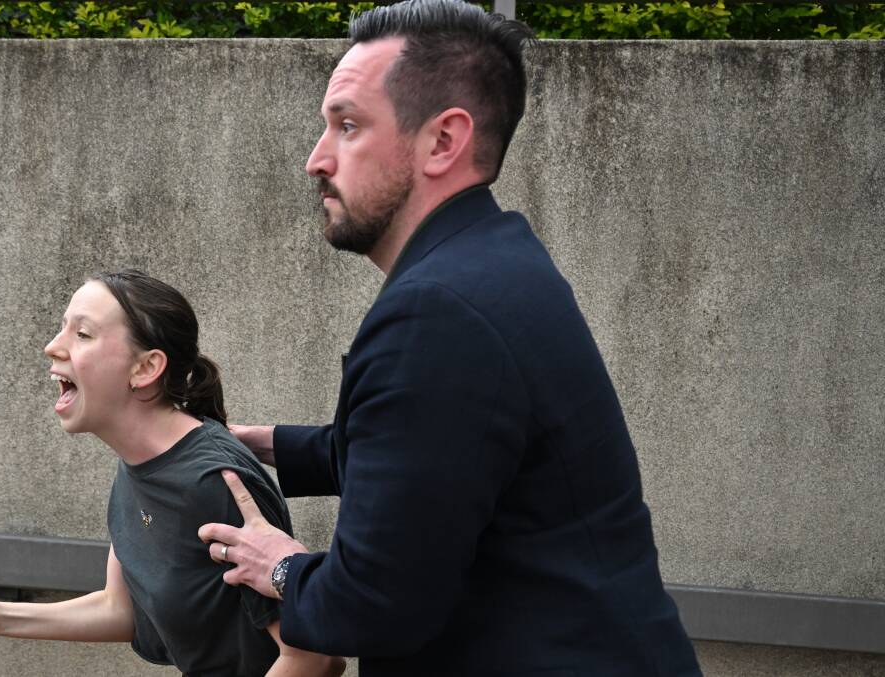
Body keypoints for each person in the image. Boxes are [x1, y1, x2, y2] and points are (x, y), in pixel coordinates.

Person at [197, 1, 702, 675]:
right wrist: (249, 440)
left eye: (347, 125)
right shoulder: (495, 259)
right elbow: (414, 452)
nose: (317, 158)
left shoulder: (437, 312)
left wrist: (282, 567)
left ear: (444, 141)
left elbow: (374, 605)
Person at [0, 270, 344, 677]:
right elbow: (122, 609)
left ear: (146, 368)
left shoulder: (214, 482)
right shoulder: (138, 463)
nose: (53, 346)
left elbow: (313, 656)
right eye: (63, 328)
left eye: (82, 334)